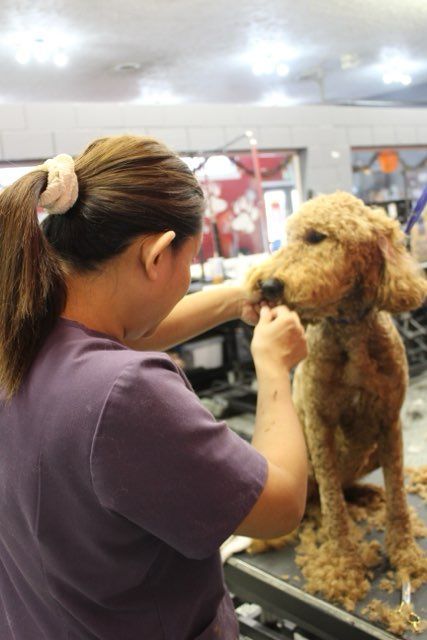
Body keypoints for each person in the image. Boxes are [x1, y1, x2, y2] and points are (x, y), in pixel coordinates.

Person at [0, 135, 308, 640]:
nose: (188, 275)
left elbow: (119, 334)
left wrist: (234, 299)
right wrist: (274, 369)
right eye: (190, 261)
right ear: (157, 254)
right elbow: (282, 504)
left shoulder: (18, 332)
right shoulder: (124, 395)